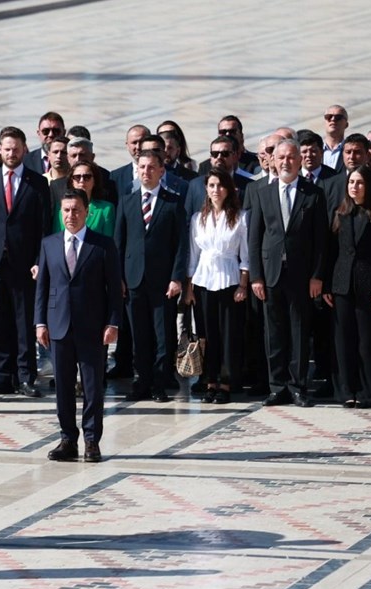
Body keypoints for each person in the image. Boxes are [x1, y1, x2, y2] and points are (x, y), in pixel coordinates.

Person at [37, 189, 122, 462]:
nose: (70, 215)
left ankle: (91, 440)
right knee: (62, 386)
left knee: (92, 386)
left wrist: (113, 323)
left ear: (87, 212)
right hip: (58, 325)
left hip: (92, 327)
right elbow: (43, 287)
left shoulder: (103, 245)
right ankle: (67, 439)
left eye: (76, 210)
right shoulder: (49, 244)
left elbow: (114, 290)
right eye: (66, 210)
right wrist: (40, 322)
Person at [247, 139, 329, 407]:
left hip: (301, 275)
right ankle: (277, 386)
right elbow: (255, 238)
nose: (285, 162)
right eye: (280, 157)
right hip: (270, 274)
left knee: (299, 331)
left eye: (291, 157)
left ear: (299, 160)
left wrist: (317, 276)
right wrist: (256, 276)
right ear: (273, 160)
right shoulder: (263, 193)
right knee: (274, 333)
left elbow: (321, 241)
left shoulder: (313, 194)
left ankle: (297, 386)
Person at [114, 149, 189, 403]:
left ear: (161, 171)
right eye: (141, 167)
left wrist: (177, 277)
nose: (145, 172)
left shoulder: (173, 202)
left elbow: (181, 244)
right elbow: (119, 243)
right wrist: (119, 279)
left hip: (162, 282)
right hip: (134, 280)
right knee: (139, 336)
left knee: (162, 336)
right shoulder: (127, 201)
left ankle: (159, 383)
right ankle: (141, 382)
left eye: (150, 167)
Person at [0, 127, 50, 397]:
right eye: (6, 148)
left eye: (16, 148)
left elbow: (44, 227)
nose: (11, 153)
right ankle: (3, 376)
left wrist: (38, 260)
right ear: (0, 148)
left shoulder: (37, 182)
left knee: (24, 323)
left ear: (24, 149)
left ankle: (25, 377)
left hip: (24, 264)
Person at [323, 166, 371, 408]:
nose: (354, 186)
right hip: (342, 285)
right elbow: (331, 252)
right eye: (351, 182)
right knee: (343, 340)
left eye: (360, 182)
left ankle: (368, 392)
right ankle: (345, 390)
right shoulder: (339, 214)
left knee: (368, 341)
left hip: (368, 284)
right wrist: (327, 285)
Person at [183, 170, 249, 404]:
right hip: (203, 281)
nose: (215, 190)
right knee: (206, 334)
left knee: (228, 334)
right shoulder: (197, 218)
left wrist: (243, 284)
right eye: (211, 185)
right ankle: (209, 380)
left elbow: (246, 255)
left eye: (220, 185)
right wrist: (189, 288)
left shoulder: (240, 217)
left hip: (229, 281)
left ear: (229, 189)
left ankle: (226, 381)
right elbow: (193, 255)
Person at [53, 161, 115, 237]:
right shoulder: (60, 207)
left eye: (87, 177)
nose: (82, 181)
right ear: (72, 181)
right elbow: (56, 237)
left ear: (94, 181)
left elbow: (109, 241)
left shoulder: (106, 209)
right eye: (77, 177)